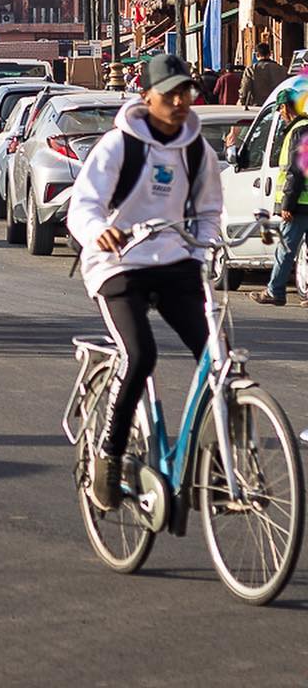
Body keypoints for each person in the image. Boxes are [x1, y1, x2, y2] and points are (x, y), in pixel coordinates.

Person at [66, 53, 223, 512]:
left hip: (174, 261)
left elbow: (209, 212)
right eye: (169, 93)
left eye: (186, 92)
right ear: (146, 96)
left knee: (217, 358)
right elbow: (84, 207)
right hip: (119, 264)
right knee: (142, 354)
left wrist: (203, 248)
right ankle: (110, 458)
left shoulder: (197, 150)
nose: (179, 101)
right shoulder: (119, 146)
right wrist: (99, 231)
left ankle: (219, 463)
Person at [248, 80, 308, 307]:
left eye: (281, 110)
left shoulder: (297, 131)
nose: (281, 115)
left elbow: (295, 170)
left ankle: (275, 290)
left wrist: (287, 204)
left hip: (300, 203)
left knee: (285, 249)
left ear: (285, 108)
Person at [241, 41, 286, 110]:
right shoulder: (282, 69)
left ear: (257, 54)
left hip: (259, 107)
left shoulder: (251, 69)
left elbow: (245, 88)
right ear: (270, 54)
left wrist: (242, 101)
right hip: (278, 107)